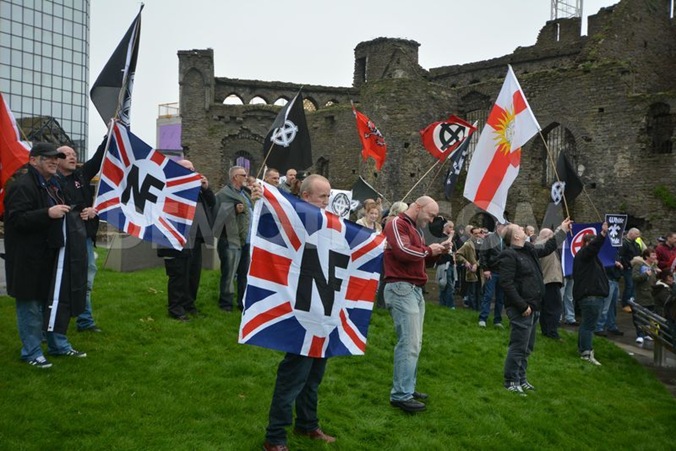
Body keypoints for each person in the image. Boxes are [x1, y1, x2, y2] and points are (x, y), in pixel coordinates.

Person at [264, 174, 336, 451]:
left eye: (329, 196)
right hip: (300, 311)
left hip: (323, 310)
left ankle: (307, 424)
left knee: (314, 375)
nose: (327, 202)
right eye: (322, 196)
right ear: (305, 197)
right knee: (293, 376)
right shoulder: (292, 220)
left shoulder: (330, 224)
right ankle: (275, 437)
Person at [4, 143, 87, 368]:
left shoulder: (55, 185)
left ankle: (58, 345)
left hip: (51, 256)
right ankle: (31, 352)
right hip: (27, 259)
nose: (53, 161)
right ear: (33, 161)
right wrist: (47, 213)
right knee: (30, 305)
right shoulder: (23, 186)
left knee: (54, 303)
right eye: (47, 158)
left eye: (55, 158)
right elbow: (15, 220)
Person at [383, 196, 449, 413]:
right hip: (401, 287)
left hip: (413, 289)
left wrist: (437, 252)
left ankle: (407, 389)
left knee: (414, 343)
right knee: (409, 343)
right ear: (418, 207)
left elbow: (419, 259)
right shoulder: (396, 223)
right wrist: (430, 250)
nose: (431, 220)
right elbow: (404, 252)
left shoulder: (414, 229)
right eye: (430, 215)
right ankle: (401, 394)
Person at [500, 219, 570, 394]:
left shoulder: (529, 249)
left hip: (534, 306)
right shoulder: (509, 255)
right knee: (518, 346)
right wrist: (522, 306)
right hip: (522, 309)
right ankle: (511, 381)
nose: (523, 229)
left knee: (527, 347)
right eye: (519, 229)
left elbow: (547, 247)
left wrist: (562, 230)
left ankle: (522, 378)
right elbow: (506, 284)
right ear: (516, 236)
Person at [56, 140, 106, 333]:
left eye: (74, 154)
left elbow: (98, 158)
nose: (72, 156)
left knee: (86, 277)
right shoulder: (51, 181)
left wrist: (93, 211)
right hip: (60, 238)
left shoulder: (82, 175)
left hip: (83, 236)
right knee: (58, 279)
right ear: (56, 160)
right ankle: (51, 324)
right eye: (66, 154)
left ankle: (85, 321)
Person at [157, 160, 215, 321]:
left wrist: (206, 188)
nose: (191, 171)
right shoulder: (170, 186)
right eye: (187, 169)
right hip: (177, 238)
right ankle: (176, 308)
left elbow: (212, 204)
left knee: (193, 274)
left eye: (193, 168)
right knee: (178, 273)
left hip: (196, 238)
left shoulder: (197, 188)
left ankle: (189, 304)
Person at [214, 166, 252, 311]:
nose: (246, 177)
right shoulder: (223, 194)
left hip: (245, 241)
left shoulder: (245, 194)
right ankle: (226, 304)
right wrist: (233, 211)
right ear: (235, 177)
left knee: (243, 274)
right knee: (229, 274)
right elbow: (217, 218)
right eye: (244, 175)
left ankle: (242, 302)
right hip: (231, 240)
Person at [573, 223, 609, 366]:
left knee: (586, 324)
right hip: (591, 296)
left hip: (590, 296)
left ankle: (583, 349)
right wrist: (603, 234)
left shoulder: (587, 258)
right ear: (587, 243)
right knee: (589, 325)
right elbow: (594, 247)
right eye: (592, 241)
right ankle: (586, 352)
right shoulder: (585, 254)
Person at [477, 222, 507, 328]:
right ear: (498, 226)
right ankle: (483, 318)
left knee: (500, 297)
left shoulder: (507, 240)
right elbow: (483, 254)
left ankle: (497, 320)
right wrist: (485, 268)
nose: (505, 228)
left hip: (503, 272)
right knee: (488, 295)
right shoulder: (489, 238)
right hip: (492, 271)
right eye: (504, 226)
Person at [536, 228, 564, 340]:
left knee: (546, 308)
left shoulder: (538, 245)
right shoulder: (543, 246)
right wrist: (562, 229)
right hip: (550, 279)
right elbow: (556, 241)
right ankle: (552, 332)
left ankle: (546, 330)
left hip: (546, 280)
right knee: (555, 308)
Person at [631, 247, 659, 345]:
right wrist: (645, 275)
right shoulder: (639, 265)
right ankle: (640, 335)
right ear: (647, 256)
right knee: (640, 316)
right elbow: (635, 278)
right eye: (653, 255)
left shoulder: (654, 265)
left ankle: (647, 333)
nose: (655, 257)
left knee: (650, 316)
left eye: (655, 255)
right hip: (641, 294)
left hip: (651, 294)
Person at [595, 260, 625, 337]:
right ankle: (599, 327)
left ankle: (611, 325)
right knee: (605, 305)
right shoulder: (606, 254)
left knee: (613, 305)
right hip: (609, 279)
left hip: (615, 280)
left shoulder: (616, 253)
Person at [456, 227, 483, 310]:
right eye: (475, 233)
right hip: (471, 271)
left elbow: (484, 256)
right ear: (471, 234)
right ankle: (473, 309)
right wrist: (466, 262)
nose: (478, 235)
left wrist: (477, 264)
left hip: (480, 271)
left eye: (480, 233)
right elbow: (458, 254)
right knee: (472, 291)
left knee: (480, 291)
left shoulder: (483, 244)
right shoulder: (467, 244)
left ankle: (478, 309)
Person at [619, 228, 642, 312]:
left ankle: (632, 302)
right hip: (628, 267)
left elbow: (639, 253)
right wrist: (628, 264)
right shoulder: (624, 243)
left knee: (634, 286)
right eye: (636, 234)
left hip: (635, 268)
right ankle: (625, 303)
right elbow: (621, 256)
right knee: (629, 285)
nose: (638, 236)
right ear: (631, 233)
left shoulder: (636, 244)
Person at [435, 220, 457, 309]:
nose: (452, 229)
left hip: (451, 264)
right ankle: (449, 304)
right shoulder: (441, 236)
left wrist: (455, 261)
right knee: (446, 285)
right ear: (446, 227)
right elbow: (445, 246)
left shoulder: (450, 239)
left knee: (449, 284)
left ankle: (443, 304)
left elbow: (453, 251)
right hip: (444, 264)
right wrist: (451, 236)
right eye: (451, 227)